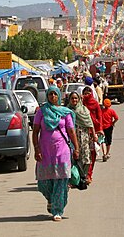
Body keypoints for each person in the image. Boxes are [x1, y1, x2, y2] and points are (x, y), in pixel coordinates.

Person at [32, 85, 79, 222]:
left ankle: (57, 210)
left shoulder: (65, 113)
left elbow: (71, 132)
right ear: (47, 95)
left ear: (59, 96)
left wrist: (76, 148)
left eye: (55, 94)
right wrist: (36, 148)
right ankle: (51, 199)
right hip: (45, 152)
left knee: (61, 180)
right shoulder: (41, 112)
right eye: (50, 94)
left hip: (62, 151)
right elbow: (35, 132)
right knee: (43, 182)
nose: (53, 97)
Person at [67, 91, 97, 178]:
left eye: (76, 98)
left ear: (79, 99)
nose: (74, 100)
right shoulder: (67, 110)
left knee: (86, 158)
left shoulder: (83, 110)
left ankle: (84, 176)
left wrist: (94, 135)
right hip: (71, 137)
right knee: (73, 158)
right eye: (72, 98)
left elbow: (89, 123)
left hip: (83, 137)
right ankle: (75, 178)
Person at [82, 86, 103, 184]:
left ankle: (89, 174)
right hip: (82, 132)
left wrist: (100, 130)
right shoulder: (80, 104)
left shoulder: (95, 104)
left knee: (92, 154)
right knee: (83, 155)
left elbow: (100, 117)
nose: (86, 95)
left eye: (88, 93)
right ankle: (83, 175)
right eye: (85, 93)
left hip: (93, 133)